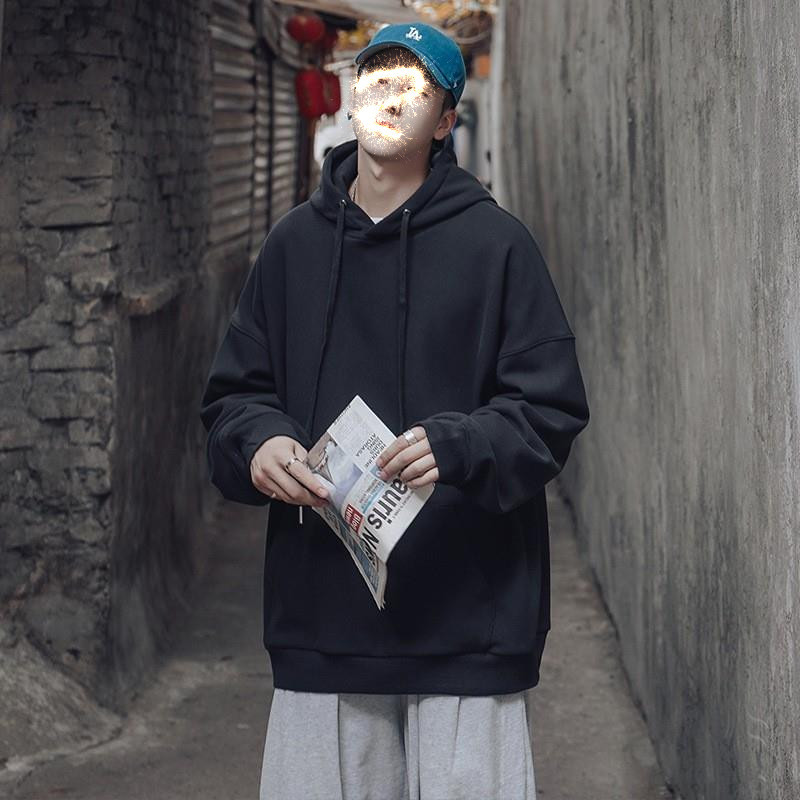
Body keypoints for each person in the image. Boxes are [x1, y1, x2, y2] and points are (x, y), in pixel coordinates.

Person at [199, 21, 590, 800]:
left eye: (412, 88)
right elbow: (234, 397)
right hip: (323, 615)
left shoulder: (498, 247)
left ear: (446, 120)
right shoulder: (292, 248)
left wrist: (463, 443)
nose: (387, 99)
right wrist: (260, 442)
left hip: (469, 614)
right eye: (375, 80)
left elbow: (550, 409)